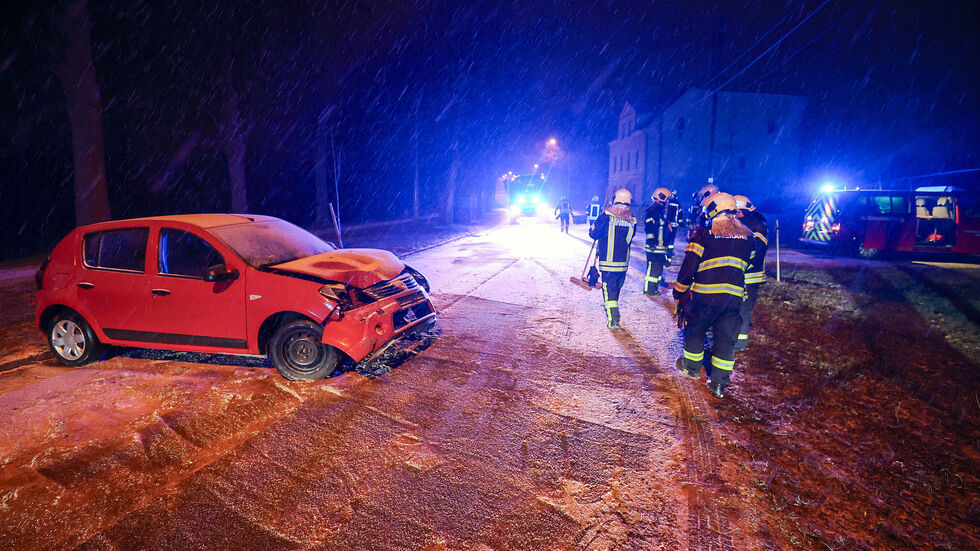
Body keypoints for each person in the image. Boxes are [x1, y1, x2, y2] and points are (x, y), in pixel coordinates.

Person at [673, 192, 754, 398]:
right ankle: (719, 385)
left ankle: (691, 368)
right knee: (726, 340)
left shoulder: (704, 234)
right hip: (733, 299)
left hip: (705, 296)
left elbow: (689, 266)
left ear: (715, 210)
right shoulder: (748, 237)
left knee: (696, 331)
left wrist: (680, 290)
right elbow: (749, 265)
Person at [589, 188, 636, 330]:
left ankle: (614, 320)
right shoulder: (632, 220)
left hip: (608, 263)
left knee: (609, 293)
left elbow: (593, 233)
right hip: (623, 264)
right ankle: (613, 313)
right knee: (615, 291)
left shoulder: (606, 216)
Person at [732, 195, 768, 352]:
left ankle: (739, 343)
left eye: (736, 212)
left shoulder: (756, 225)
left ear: (743, 210)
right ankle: (733, 340)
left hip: (749, 276)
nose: (734, 215)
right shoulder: (751, 222)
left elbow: (757, 251)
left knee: (743, 310)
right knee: (736, 309)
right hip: (740, 274)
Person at [643, 188, 679, 296]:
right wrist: (651, 241)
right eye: (666, 199)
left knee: (658, 270)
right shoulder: (652, 211)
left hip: (660, 247)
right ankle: (648, 289)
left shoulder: (659, 212)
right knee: (652, 269)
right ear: (661, 198)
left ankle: (654, 289)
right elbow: (648, 227)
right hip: (653, 247)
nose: (667, 202)